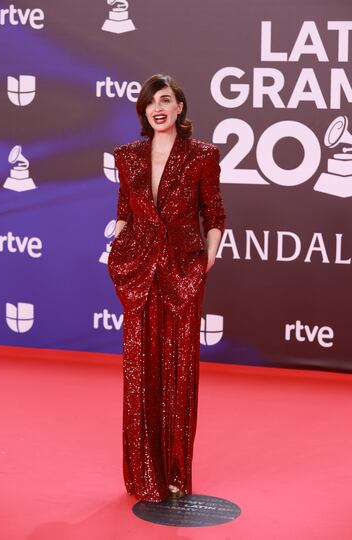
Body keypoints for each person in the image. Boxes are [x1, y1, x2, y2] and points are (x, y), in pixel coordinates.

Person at [108, 74, 226, 502]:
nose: (157, 107)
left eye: (165, 99)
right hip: (139, 270)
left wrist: (208, 255)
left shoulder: (202, 156)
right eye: (149, 102)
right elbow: (125, 208)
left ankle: (176, 472)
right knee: (140, 371)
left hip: (183, 269)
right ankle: (142, 474)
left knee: (179, 372)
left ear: (180, 107)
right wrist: (116, 239)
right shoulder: (127, 155)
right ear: (144, 112)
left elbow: (214, 213)